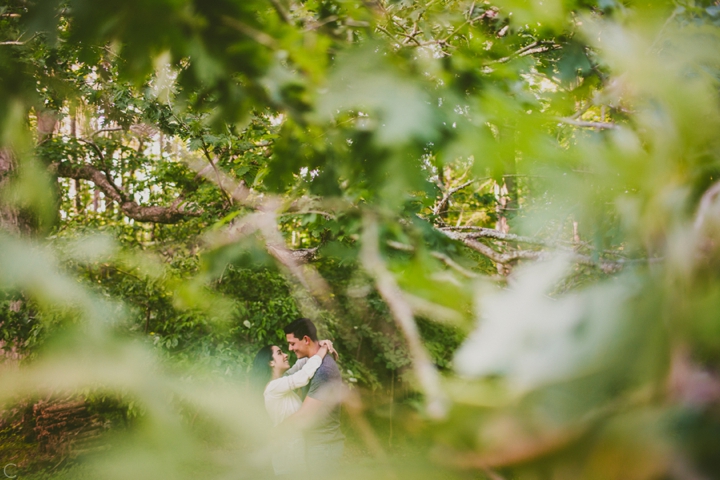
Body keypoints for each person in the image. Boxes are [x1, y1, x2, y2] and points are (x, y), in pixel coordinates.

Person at [251, 339, 335, 476]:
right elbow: (302, 376)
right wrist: (323, 350)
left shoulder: (280, 383)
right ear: (271, 362)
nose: (285, 355)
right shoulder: (273, 388)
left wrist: (317, 345)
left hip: (295, 456)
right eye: (279, 353)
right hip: (288, 460)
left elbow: (301, 365)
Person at [282, 318, 345, 471]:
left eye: (292, 343)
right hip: (315, 444)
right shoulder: (309, 362)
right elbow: (283, 381)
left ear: (306, 339)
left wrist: (275, 431)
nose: (290, 349)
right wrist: (321, 345)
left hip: (323, 448)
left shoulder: (324, 370)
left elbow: (305, 414)